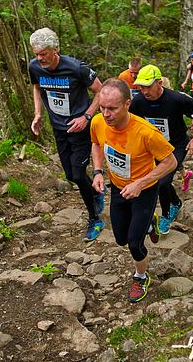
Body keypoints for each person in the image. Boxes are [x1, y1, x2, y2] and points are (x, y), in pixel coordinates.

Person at [90, 79, 177, 303]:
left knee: (134, 243)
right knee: (120, 238)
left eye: (112, 108)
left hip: (144, 191)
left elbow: (170, 162)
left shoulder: (146, 132)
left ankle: (141, 276)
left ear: (127, 104)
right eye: (102, 107)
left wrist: (140, 183)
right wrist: (98, 172)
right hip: (119, 188)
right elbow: (97, 144)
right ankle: (151, 223)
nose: (106, 114)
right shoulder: (98, 122)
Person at [28, 27, 105, 242]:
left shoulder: (76, 68)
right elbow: (36, 87)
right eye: (36, 54)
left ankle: (95, 219)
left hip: (79, 128)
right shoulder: (34, 66)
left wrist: (87, 117)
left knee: (79, 175)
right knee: (71, 175)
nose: (40, 58)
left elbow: (101, 90)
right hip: (58, 127)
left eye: (44, 53)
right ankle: (96, 191)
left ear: (56, 49)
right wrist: (37, 114)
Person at [130, 64, 193, 234]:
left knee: (161, 181)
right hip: (154, 146)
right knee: (156, 181)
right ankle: (176, 202)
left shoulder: (176, 99)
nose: (144, 91)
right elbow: (132, 122)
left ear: (159, 83)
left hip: (176, 146)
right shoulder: (138, 101)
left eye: (148, 87)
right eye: (141, 87)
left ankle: (167, 213)